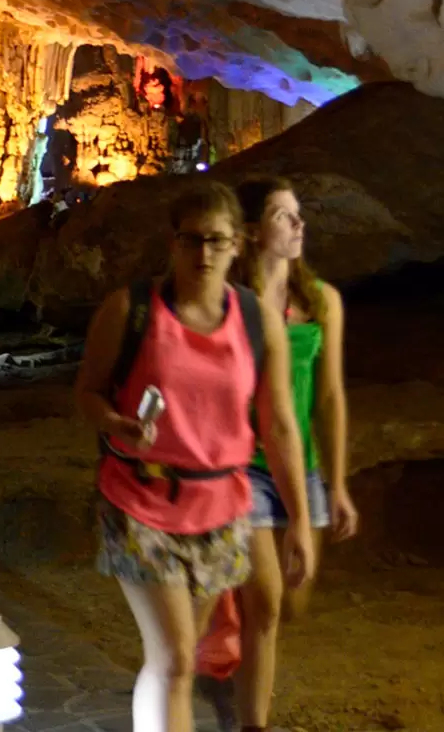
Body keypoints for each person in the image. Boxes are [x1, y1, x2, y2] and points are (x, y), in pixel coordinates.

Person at [73, 181, 315, 732]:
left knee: (182, 657)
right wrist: (112, 422)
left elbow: (278, 426)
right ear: (172, 243)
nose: (202, 254)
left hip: (221, 506)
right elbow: (89, 389)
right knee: (177, 657)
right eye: (190, 240)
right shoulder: (131, 311)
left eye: (215, 240)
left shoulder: (256, 322)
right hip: (141, 499)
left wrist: (299, 518)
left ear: (238, 244)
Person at [195, 178, 359, 732]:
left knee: (289, 603)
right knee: (264, 598)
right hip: (241, 465)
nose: (298, 225)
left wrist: (335, 484)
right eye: (283, 216)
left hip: (299, 464)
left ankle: (225, 661)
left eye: (298, 215)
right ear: (251, 231)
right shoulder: (228, 303)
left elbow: (329, 398)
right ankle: (253, 722)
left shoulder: (319, 302)